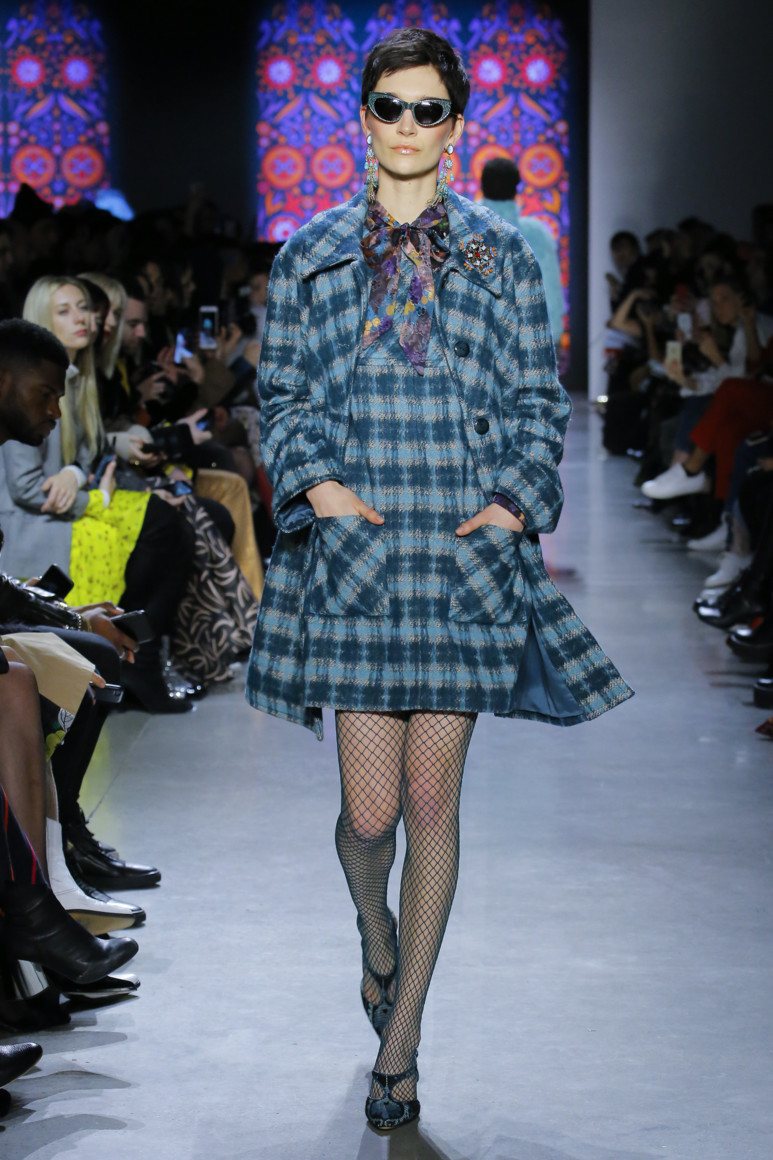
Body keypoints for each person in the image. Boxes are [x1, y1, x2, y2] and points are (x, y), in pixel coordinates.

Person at [247, 26, 632, 1133]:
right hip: (360, 551)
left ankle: (402, 1041)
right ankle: (374, 932)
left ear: (455, 127)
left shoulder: (502, 253)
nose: (407, 125)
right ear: (363, 117)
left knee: (430, 804)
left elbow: (536, 393)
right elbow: (281, 392)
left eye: (428, 109)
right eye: (390, 106)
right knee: (368, 815)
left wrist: (512, 503)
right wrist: (321, 490)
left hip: (460, 550)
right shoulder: (312, 251)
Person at [479, 155, 564, 345]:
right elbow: (551, 294)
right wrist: (554, 338)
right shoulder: (538, 235)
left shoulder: (462, 231)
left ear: (482, 186)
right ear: (516, 188)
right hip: (528, 345)